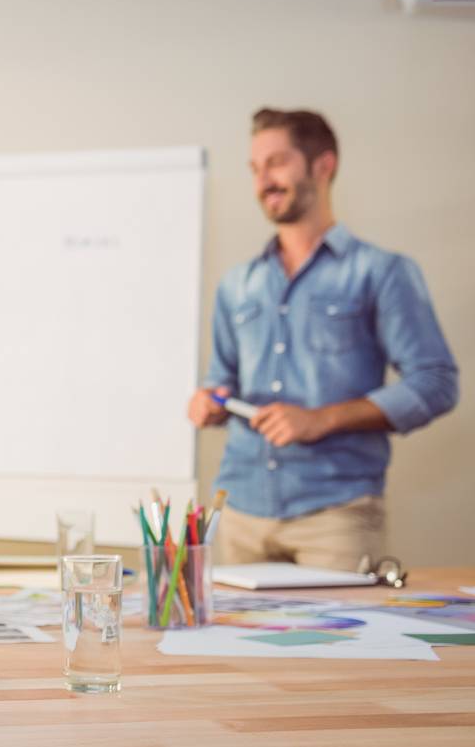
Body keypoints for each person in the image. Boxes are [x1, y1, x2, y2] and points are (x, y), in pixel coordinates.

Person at [187, 109, 459, 569]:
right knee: (223, 645)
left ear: (323, 165)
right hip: (238, 515)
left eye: (277, 162)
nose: (263, 181)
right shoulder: (238, 285)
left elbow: (435, 382)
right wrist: (210, 402)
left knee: (336, 644)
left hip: (336, 518)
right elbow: (222, 379)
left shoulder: (382, 272)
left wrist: (321, 419)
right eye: (255, 168)